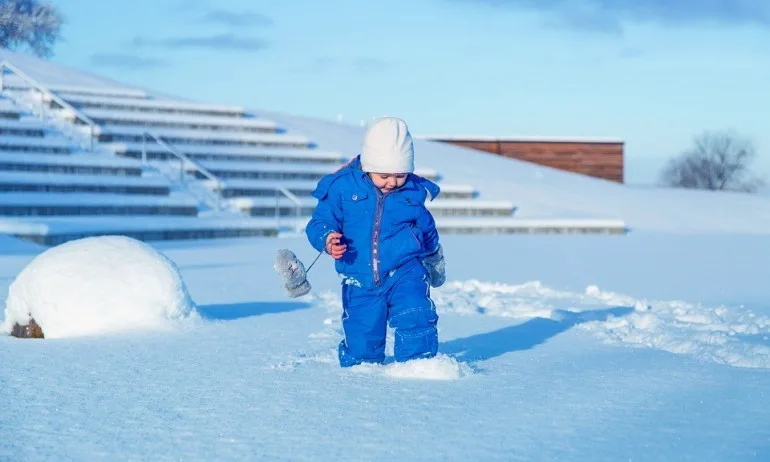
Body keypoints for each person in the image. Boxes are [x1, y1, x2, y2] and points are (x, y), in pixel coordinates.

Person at [305, 117, 446, 367]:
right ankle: (362, 374)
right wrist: (327, 239)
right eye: (384, 175)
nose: (392, 182)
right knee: (363, 337)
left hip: (406, 270)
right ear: (369, 165)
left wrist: (434, 258)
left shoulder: (412, 192)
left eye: (400, 175)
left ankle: (419, 366)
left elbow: (427, 228)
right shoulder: (342, 188)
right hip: (360, 275)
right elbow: (319, 221)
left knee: (416, 313)